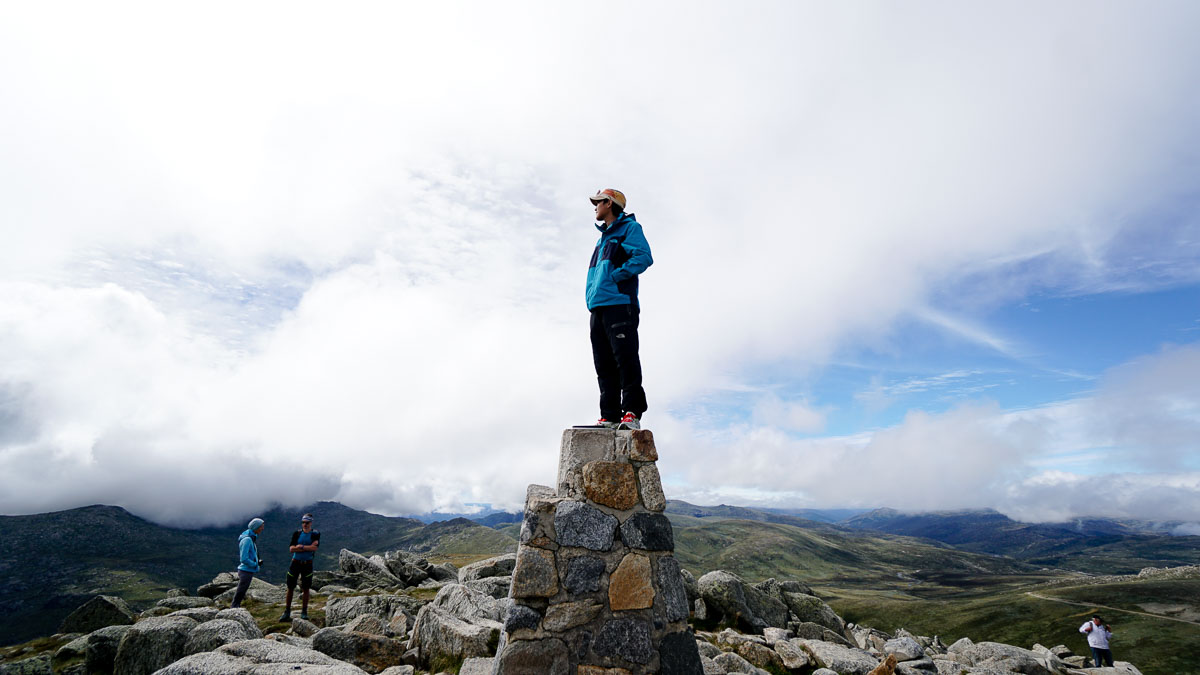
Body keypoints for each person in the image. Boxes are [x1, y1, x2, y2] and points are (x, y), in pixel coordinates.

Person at [585, 188, 653, 430]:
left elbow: (644, 257)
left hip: (619, 303)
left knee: (625, 358)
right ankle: (610, 416)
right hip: (598, 306)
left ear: (609, 203)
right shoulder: (602, 238)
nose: (595, 206)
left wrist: (617, 276)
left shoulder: (629, 229)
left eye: (598, 202)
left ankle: (632, 413)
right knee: (603, 364)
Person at [279, 513, 321, 622]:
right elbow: (291, 549)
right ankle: (287, 611)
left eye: (307, 522)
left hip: (307, 564)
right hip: (295, 563)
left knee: (306, 588)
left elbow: (314, 548)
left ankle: (304, 612)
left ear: (311, 523)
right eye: (303, 522)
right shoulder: (297, 534)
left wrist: (301, 546)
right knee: (290, 587)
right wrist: (307, 548)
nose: (304, 524)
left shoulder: (315, 534)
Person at [230, 518, 264, 609]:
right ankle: (234, 607)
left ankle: (235, 606)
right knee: (241, 591)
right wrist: (254, 564)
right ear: (255, 527)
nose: (262, 528)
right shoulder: (247, 540)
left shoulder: (251, 538)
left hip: (247, 570)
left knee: (242, 590)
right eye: (261, 526)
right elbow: (244, 559)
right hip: (245, 570)